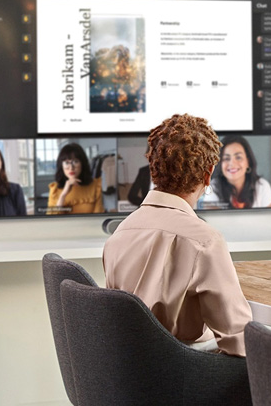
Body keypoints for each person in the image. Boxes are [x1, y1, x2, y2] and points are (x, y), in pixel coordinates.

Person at [103, 113, 252, 355]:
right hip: (185, 370)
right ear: (208, 174)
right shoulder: (205, 241)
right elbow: (239, 342)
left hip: (129, 369)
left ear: (153, 169)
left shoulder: (118, 235)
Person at [208, 136, 271, 209]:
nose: (232, 163)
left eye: (238, 157)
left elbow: (270, 216)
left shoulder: (262, 186)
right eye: (226, 158)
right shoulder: (213, 187)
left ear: (248, 162)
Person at [46, 143, 104, 215]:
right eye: (67, 163)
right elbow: (52, 219)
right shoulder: (55, 189)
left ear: (82, 163)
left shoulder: (95, 185)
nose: (71, 168)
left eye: (75, 161)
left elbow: (98, 216)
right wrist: (63, 194)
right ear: (61, 165)